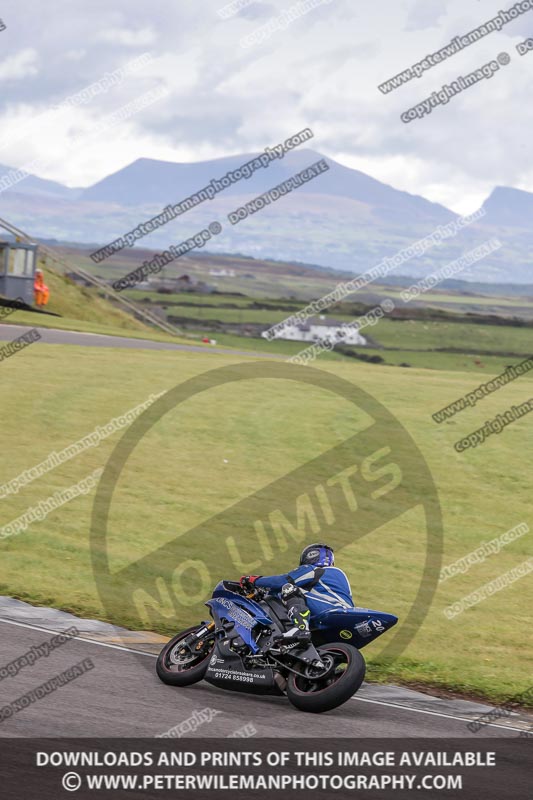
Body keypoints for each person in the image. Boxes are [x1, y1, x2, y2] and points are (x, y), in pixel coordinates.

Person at [240, 543, 355, 644]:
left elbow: (282, 582)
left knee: (289, 588)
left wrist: (254, 580)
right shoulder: (338, 575)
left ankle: (300, 628)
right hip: (347, 616)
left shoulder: (313, 569)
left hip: (330, 610)